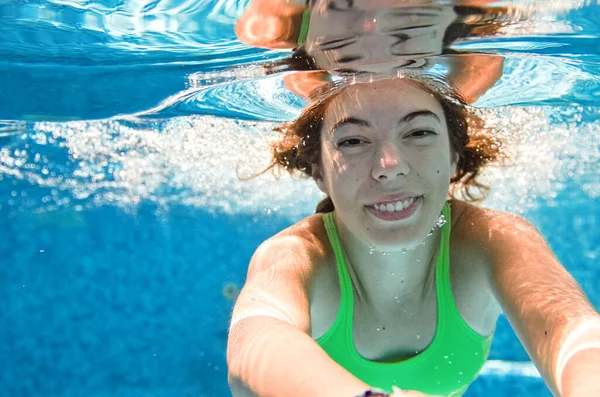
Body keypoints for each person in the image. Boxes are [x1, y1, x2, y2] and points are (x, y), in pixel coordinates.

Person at [226, 75, 600, 397]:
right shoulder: (297, 254)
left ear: (454, 156)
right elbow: (255, 339)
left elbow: (576, 336)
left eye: (419, 132)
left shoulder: (493, 239)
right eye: (353, 141)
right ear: (319, 172)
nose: (390, 166)